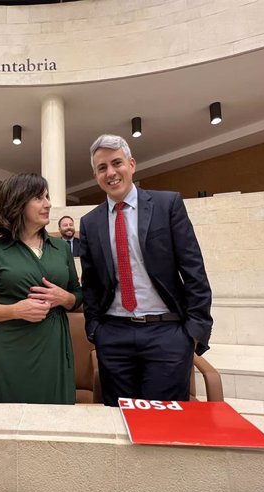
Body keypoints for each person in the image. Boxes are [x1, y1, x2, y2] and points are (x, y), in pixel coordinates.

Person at [79, 134, 213, 406]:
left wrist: (194, 333)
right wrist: (96, 330)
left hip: (167, 333)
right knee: (120, 419)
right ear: (95, 175)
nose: (111, 172)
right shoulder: (89, 222)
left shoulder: (168, 205)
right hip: (113, 335)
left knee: (164, 426)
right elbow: (91, 283)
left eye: (117, 163)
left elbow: (194, 270)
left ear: (132, 164)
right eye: (102, 167)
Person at [0, 173, 82, 404]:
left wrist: (66, 298)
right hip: (9, 349)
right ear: (18, 203)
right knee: (5, 423)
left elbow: (78, 295)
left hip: (52, 347)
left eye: (48, 196)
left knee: (53, 421)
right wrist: (15, 310)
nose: (49, 204)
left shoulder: (61, 248)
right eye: (39, 197)